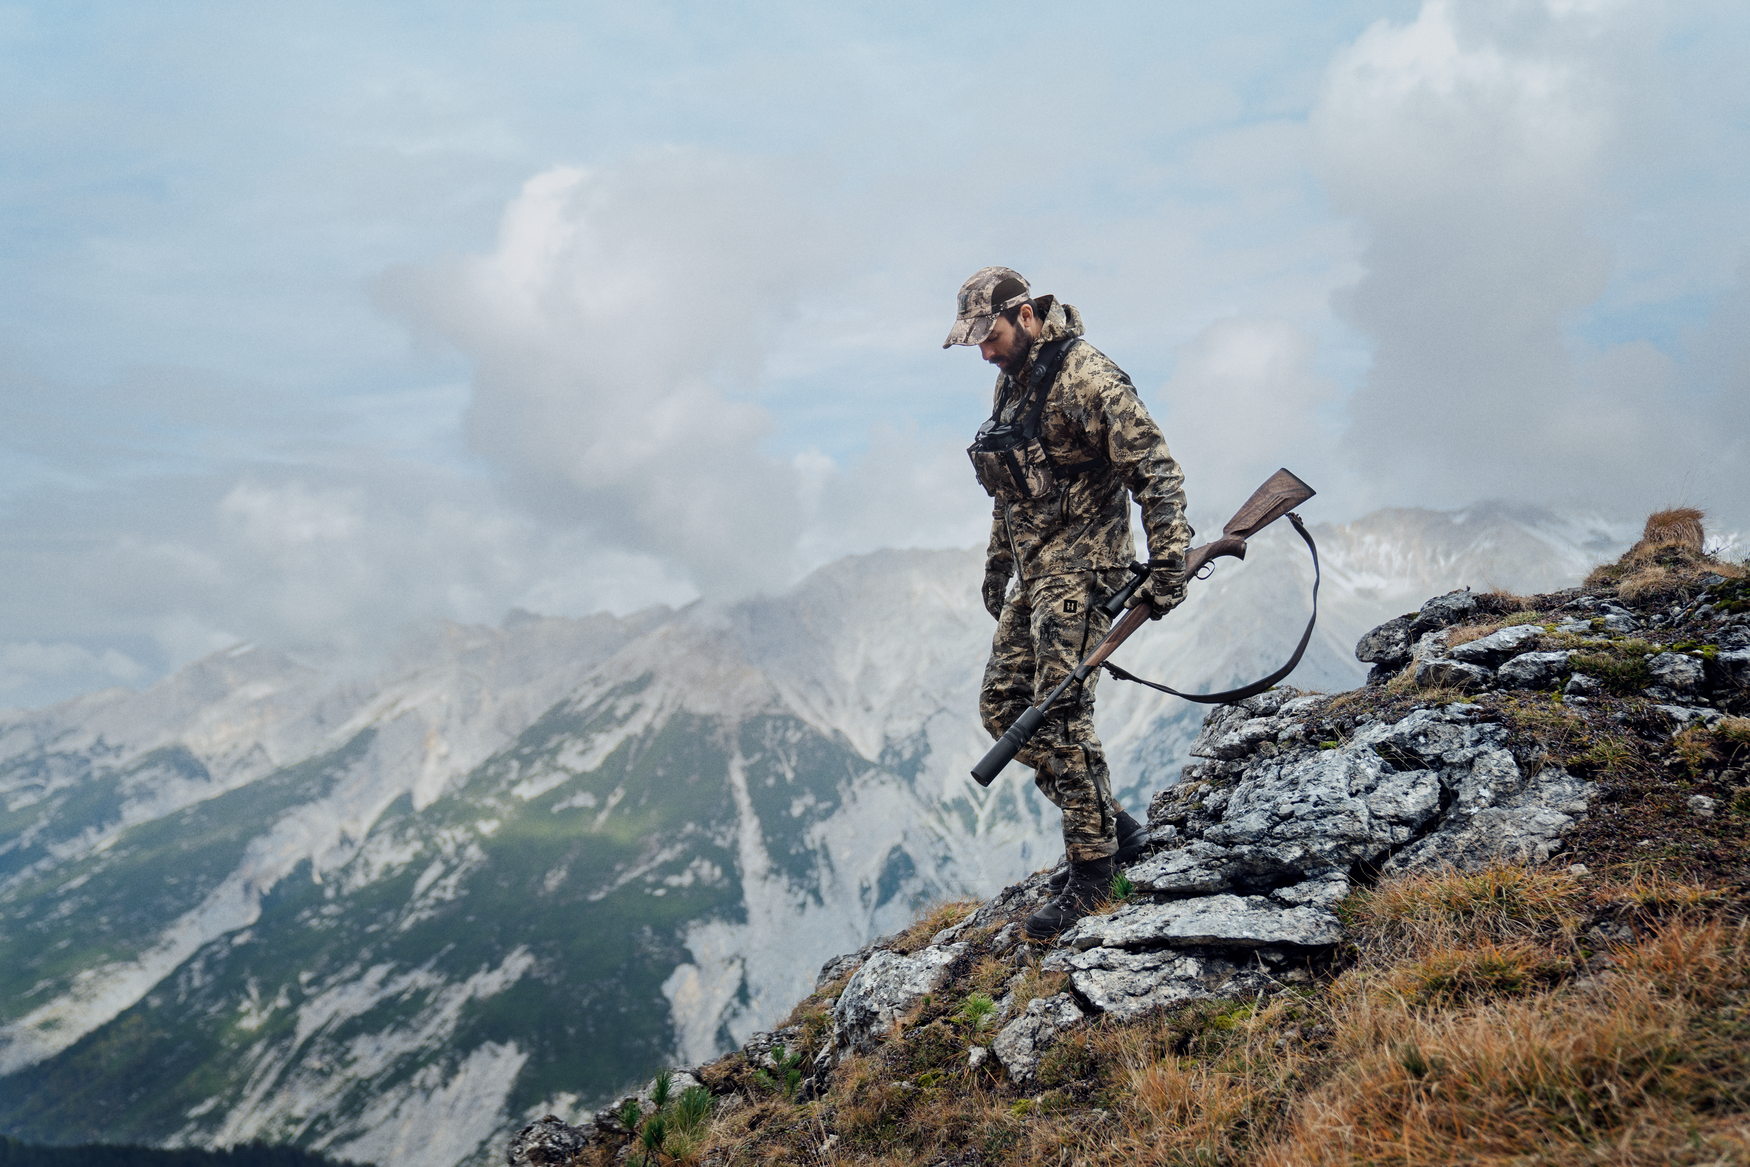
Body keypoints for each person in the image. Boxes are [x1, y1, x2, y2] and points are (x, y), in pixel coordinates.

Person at [945, 266, 1192, 939]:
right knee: (1002, 706)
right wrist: (998, 567)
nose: (984, 352)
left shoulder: (1089, 377)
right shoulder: (1014, 379)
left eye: (990, 336)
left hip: (1084, 570)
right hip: (1036, 573)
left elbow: (1156, 470)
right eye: (976, 342)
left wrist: (1169, 561)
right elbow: (1011, 486)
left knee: (1061, 715)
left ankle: (1094, 873)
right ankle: (1115, 828)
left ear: (1024, 315)